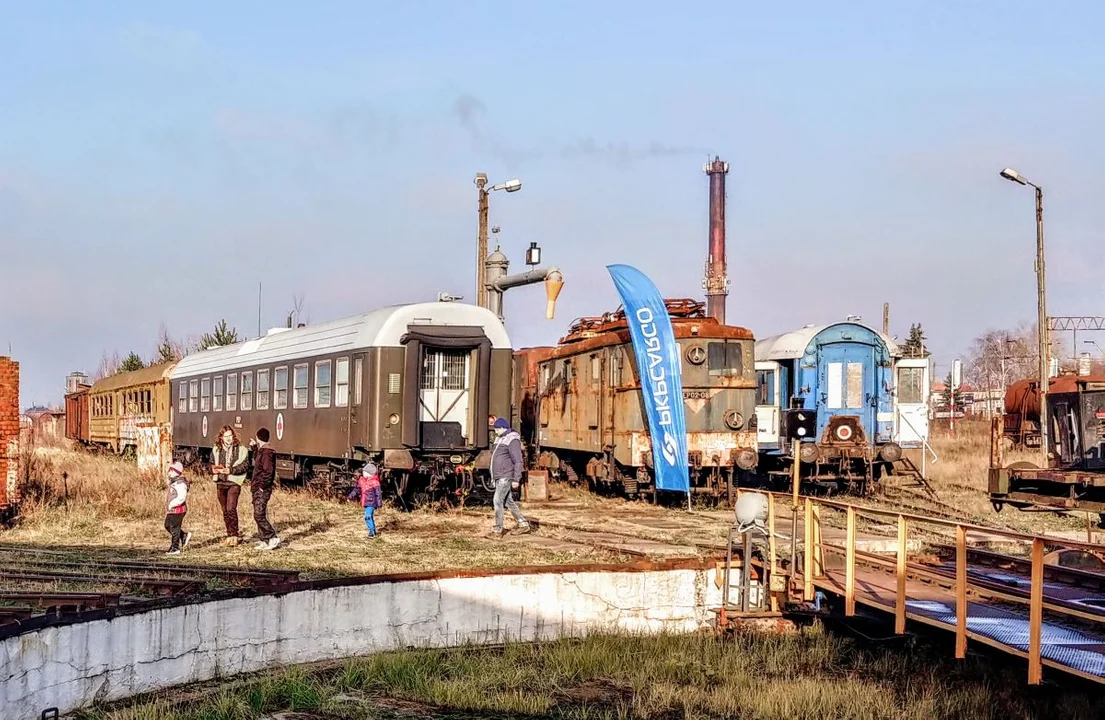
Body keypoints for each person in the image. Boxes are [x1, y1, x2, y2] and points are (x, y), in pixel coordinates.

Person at [489, 417, 530, 536]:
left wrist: (516, 479)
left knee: (497, 501)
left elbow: (518, 461)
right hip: (499, 475)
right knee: (508, 502)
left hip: (505, 475)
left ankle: (498, 530)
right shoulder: (500, 438)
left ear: (502, 428)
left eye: (496, 429)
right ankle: (523, 524)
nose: (495, 431)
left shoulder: (512, 440)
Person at [211, 425, 249, 546]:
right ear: (221, 437)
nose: (228, 438)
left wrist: (230, 470)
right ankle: (229, 534)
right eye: (226, 436)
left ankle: (234, 535)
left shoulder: (242, 450)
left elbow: (245, 466)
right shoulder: (216, 449)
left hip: (234, 482)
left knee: (231, 508)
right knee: (224, 511)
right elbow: (211, 464)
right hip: (221, 482)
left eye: (230, 436)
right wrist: (214, 470)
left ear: (234, 436)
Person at [248, 428, 281, 550]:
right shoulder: (263, 451)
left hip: (261, 488)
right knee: (258, 513)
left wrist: (262, 486)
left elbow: (267, 471)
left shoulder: (267, 453)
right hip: (257, 487)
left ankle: (272, 536)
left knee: (259, 515)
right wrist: (254, 448)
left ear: (258, 438)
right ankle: (264, 540)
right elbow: (259, 461)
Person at [347, 462, 383, 538]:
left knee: (367, 516)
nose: (362, 473)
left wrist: (379, 504)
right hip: (365, 502)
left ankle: (371, 531)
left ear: (369, 473)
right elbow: (356, 490)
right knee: (370, 516)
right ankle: (373, 531)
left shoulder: (375, 482)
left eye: (364, 472)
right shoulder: (362, 481)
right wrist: (350, 497)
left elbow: (378, 494)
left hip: (371, 503)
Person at [164, 461, 192, 555]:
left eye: (170, 470)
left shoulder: (180, 483)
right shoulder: (174, 482)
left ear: (175, 472)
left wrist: (172, 504)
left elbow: (181, 497)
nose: (169, 472)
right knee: (168, 525)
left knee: (174, 527)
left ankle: (175, 548)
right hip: (172, 510)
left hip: (178, 510)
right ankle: (183, 535)